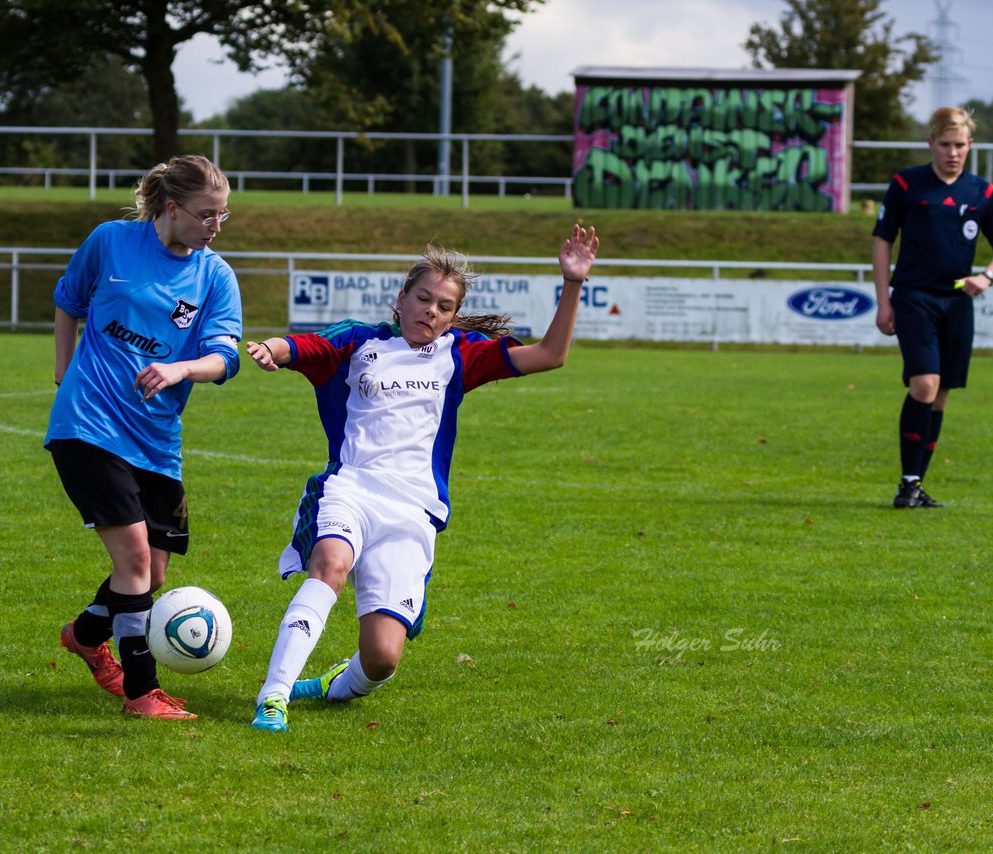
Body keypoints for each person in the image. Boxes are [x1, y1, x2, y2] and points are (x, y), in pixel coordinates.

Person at [245, 224, 599, 732]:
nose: (430, 311)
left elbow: (550, 355)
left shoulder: (459, 356)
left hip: (412, 512)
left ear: (453, 316)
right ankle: (272, 698)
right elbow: (300, 346)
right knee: (330, 565)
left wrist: (573, 283)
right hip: (352, 488)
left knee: (383, 658)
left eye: (443, 306)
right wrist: (270, 350)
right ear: (401, 298)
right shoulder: (358, 342)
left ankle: (334, 685)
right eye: (422, 298)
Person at [46, 154, 243, 719]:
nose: (215, 226)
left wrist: (183, 369)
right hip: (88, 424)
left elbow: (224, 358)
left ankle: (85, 634)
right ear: (172, 207)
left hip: (156, 438)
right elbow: (68, 302)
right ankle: (140, 692)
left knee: (153, 573)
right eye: (207, 215)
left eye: (223, 216)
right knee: (133, 561)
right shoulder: (111, 242)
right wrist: (64, 376)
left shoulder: (215, 276)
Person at [871, 107, 993, 509]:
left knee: (940, 397)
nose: (953, 152)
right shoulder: (906, 184)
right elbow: (882, 240)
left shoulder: (982, 193)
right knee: (925, 385)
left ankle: (914, 486)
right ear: (930, 143)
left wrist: (986, 276)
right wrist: (884, 300)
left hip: (957, 302)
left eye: (960, 145)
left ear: (971, 145)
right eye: (945, 144)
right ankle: (908, 482)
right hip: (914, 296)